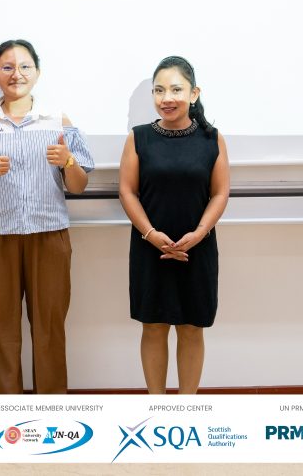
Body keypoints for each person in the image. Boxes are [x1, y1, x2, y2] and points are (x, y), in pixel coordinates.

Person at [0, 39, 94, 394]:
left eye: (24, 67)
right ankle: (4, 415)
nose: (16, 74)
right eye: (6, 67)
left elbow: (79, 185)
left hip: (49, 235)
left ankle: (50, 413)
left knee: (50, 329)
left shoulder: (57, 121)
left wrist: (68, 161)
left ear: (37, 72)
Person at [118, 55, 229, 394]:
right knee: (153, 327)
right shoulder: (138, 138)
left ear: (194, 94)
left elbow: (220, 193)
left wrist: (199, 234)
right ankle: (157, 406)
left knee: (192, 328)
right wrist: (151, 235)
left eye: (176, 90)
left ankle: (186, 408)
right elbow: (127, 191)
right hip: (149, 247)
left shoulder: (212, 138)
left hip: (197, 248)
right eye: (159, 90)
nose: (167, 98)